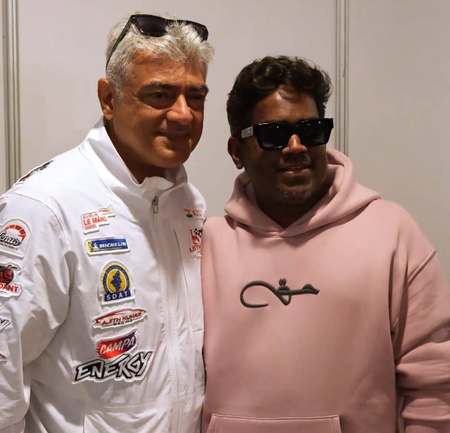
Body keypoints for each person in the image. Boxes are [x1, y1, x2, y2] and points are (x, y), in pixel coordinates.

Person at [201, 56, 450, 432]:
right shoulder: (203, 246)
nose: (296, 146)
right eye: (273, 134)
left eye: (311, 129)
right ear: (237, 150)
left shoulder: (392, 234)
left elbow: (434, 383)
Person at [0, 13, 213, 432]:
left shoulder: (189, 204)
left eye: (196, 96)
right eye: (160, 94)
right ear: (109, 98)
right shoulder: (43, 208)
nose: (183, 115)